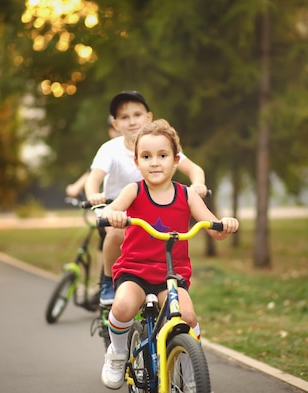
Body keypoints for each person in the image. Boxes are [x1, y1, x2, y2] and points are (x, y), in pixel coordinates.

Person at [99, 119, 239, 389]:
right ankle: (116, 353)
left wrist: (225, 224)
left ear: (175, 160)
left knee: (187, 317)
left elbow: (214, 228)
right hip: (134, 270)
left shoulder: (187, 195)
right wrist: (113, 215)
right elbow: (109, 210)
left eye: (162, 156)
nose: (154, 162)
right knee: (124, 306)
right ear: (137, 162)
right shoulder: (134, 191)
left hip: (171, 275)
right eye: (146, 156)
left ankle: (191, 366)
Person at [85, 91, 208, 306]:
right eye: (124, 117)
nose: (132, 121)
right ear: (115, 124)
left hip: (150, 210)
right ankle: (107, 279)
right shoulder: (110, 149)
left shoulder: (161, 144)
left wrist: (198, 183)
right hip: (118, 209)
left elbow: (193, 168)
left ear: (148, 117)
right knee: (115, 232)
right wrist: (94, 195)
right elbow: (93, 178)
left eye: (137, 114)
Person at [65, 116, 121, 199]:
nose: (118, 132)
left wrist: (76, 187)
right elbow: (94, 172)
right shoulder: (109, 149)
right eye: (114, 128)